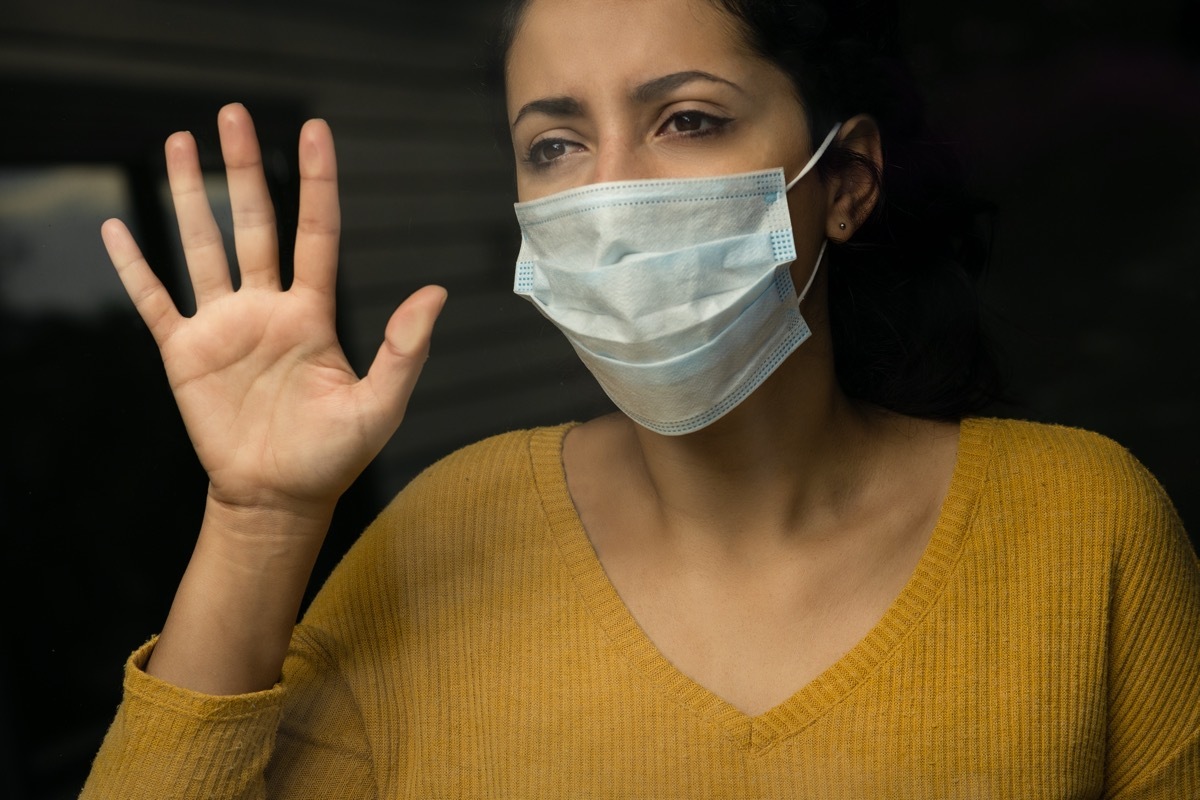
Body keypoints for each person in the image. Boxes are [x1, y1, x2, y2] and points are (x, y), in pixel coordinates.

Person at [81, 0, 1199, 796]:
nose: (609, 193)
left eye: (687, 120)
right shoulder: (442, 531)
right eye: (555, 145)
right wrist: (260, 519)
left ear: (844, 183)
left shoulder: (1083, 524)